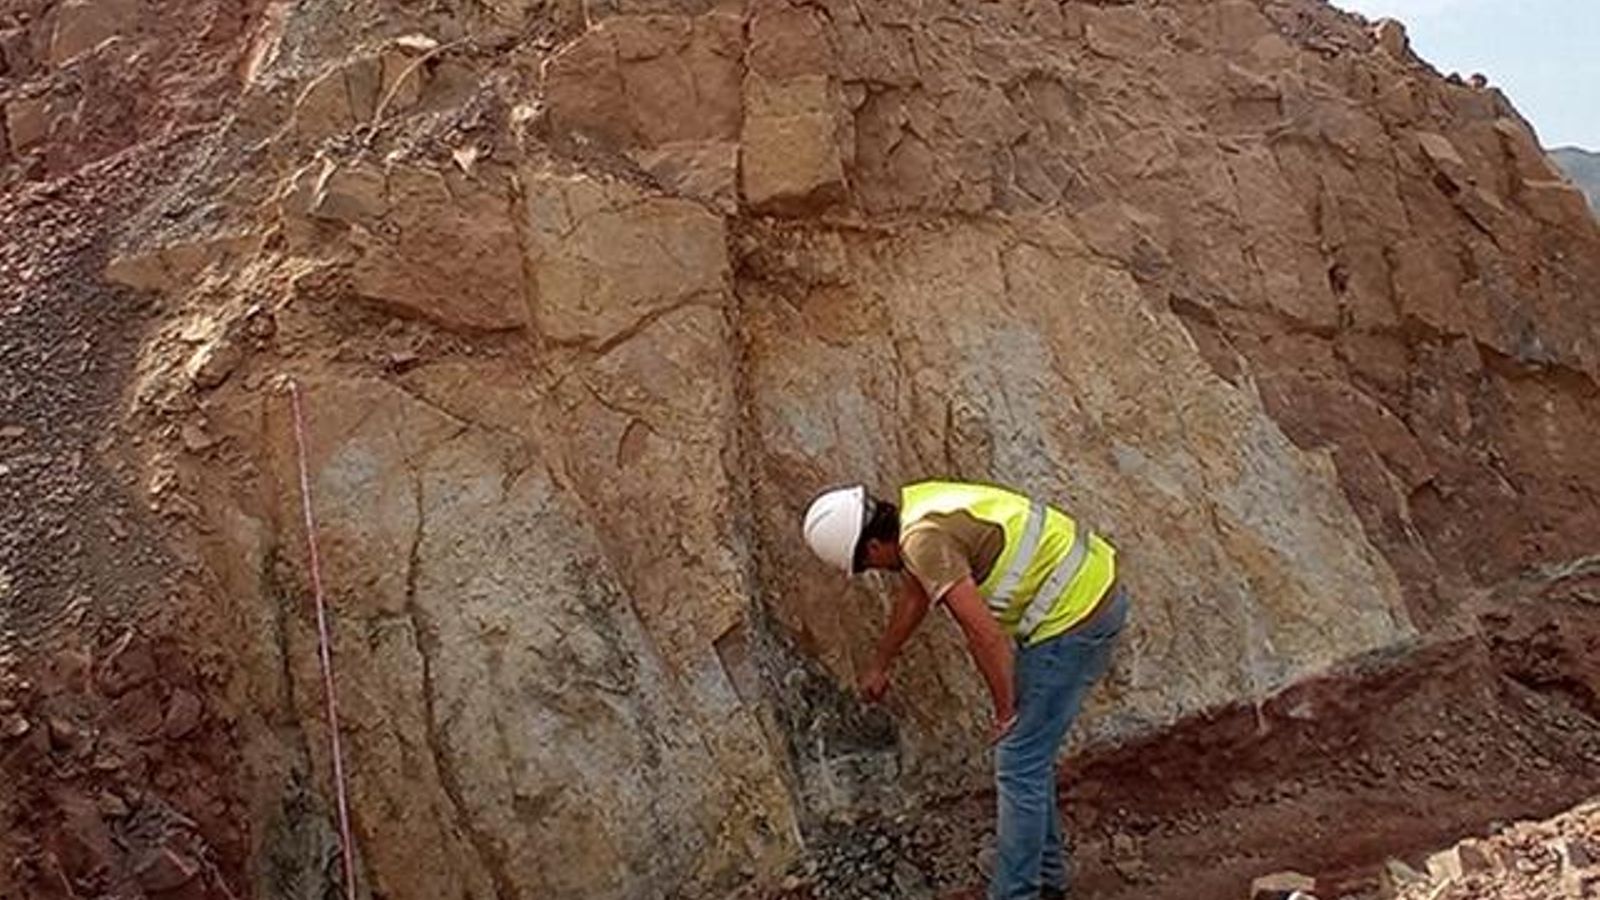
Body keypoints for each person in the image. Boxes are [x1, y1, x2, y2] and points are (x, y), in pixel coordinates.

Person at [802, 480, 1129, 900]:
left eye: (866, 566)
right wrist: (881, 662)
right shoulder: (920, 508)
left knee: (1017, 760)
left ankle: (1016, 893)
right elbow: (914, 597)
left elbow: (985, 636)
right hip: (1085, 593)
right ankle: (1048, 881)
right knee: (1029, 757)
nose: (874, 572)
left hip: (1076, 617)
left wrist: (1005, 710)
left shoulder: (922, 542)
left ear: (871, 547)